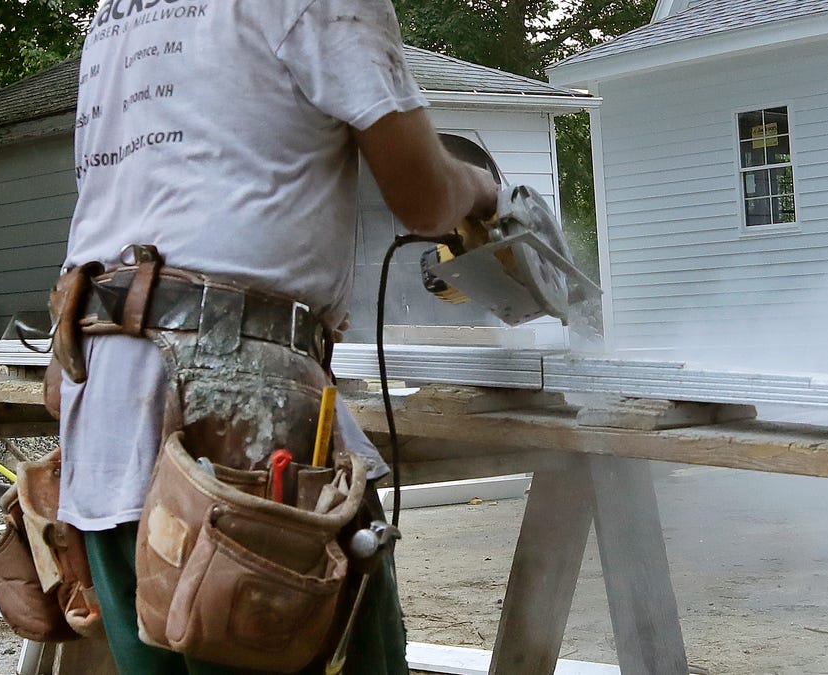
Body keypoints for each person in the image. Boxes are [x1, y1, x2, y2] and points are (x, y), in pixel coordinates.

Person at [53, 0, 497, 672]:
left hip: (105, 410)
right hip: (232, 412)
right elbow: (424, 196)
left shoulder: (121, 11)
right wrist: (485, 192)